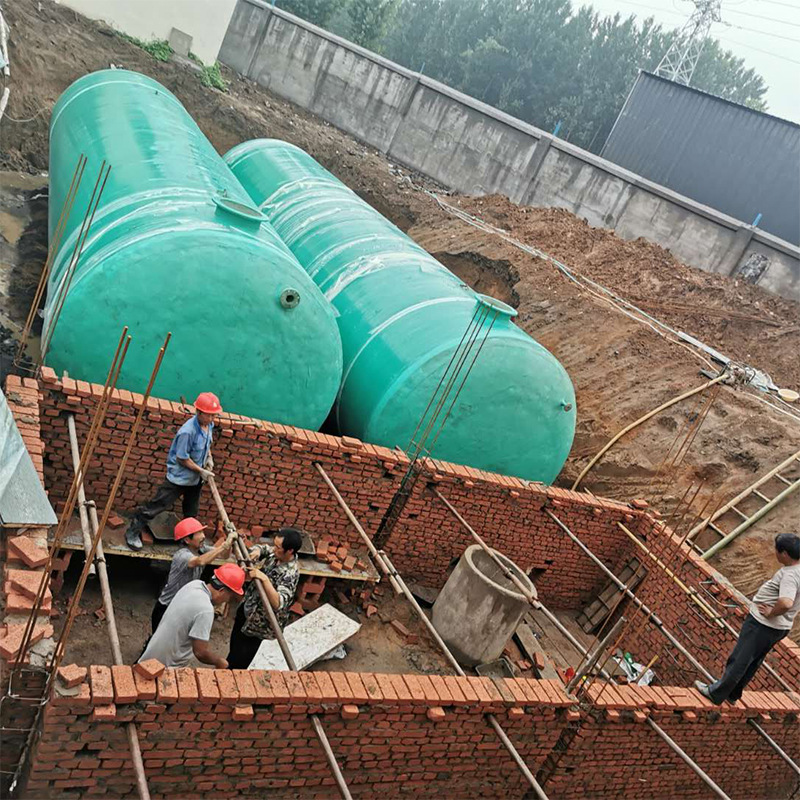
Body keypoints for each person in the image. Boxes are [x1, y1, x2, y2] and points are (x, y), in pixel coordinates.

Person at [696, 533, 800, 705]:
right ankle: (732, 694)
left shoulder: (790, 575)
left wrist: (771, 612)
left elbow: (786, 602)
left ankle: (716, 693)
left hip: (763, 624)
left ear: (785, 554)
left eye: (776, 549)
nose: (774, 552)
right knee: (753, 661)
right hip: (780, 627)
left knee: (740, 658)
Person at [126, 392, 222, 551]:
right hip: (179, 479)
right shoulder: (187, 431)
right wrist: (201, 471)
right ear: (199, 412)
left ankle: (194, 542)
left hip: (195, 480)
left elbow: (207, 446)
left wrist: (209, 459)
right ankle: (133, 531)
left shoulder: (209, 425)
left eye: (214, 415)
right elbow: (182, 458)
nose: (213, 419)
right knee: (157, 505)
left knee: (191, 512)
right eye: (210, 415)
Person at [138, 563, 245, 669]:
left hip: (154, 651)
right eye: (229, 598)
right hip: (167, 665)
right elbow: (200, 652)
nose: (227, 601)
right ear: (221, 591)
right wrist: (219, 661)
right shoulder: (206, 610)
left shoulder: (194, 585)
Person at [226, 528, 303, 669]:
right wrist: (257, 551)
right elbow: (265, 549)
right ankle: (226, 669)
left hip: (258, 624)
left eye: (278, 547)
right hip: (247, 609)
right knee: (233, 648)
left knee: (241, 660)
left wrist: (264, 579)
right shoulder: (277, 554)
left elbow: (278, 602)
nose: (274, 549)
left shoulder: (290, 574)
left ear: (290, 551)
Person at [150, 517, 237, 634]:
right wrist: (224, 545)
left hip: (182, 606)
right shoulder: (182, 555)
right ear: (187, 540)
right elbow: (200, 561)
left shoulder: (201, 549)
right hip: (167, 608)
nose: (203, 536)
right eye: (199, 533)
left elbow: (224, 556)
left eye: (202, 531)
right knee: (159, 641)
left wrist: (230, 542)